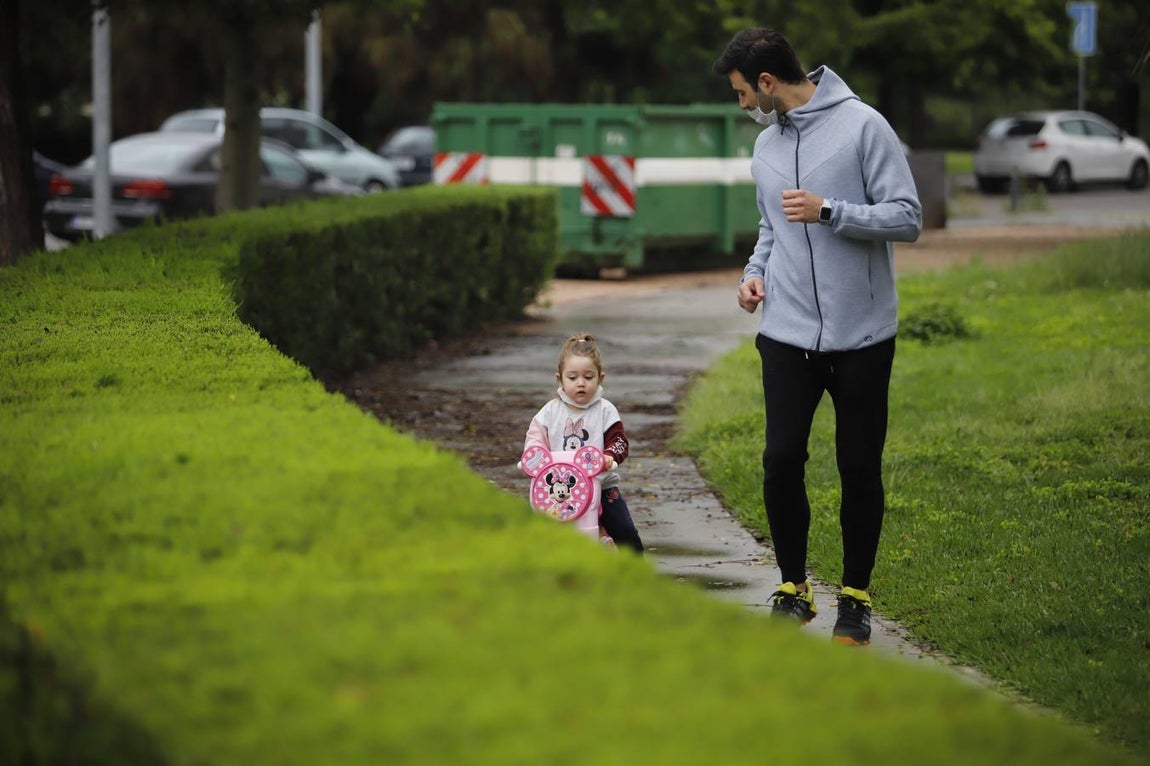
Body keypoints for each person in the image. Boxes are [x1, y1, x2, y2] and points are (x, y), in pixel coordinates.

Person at [712, 28, 922, 645]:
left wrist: (831, 211)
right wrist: (753, 275)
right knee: (780, 460)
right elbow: (771, 226)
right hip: (787, 333)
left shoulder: (864, 127)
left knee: (858, 466)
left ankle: (854, 599)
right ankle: (794, 589)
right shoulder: (766, 147)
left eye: (743, 93)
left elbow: (907, 217)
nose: (743, 105)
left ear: (768, 83)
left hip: (863, 335)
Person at [523, 333, 644, 553]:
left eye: (588, 377)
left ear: (600, 378)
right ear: (560, 379)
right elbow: (535, 438)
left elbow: (619, 441)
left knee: (624, 529)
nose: (581, 383)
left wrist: (609, 456)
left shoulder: (605, 411)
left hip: (601, 485)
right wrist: (534, 455)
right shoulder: (549, 412)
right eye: (572, 378)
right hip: (558, 490)